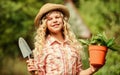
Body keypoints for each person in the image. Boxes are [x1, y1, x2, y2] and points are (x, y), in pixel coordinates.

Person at [26, 3, 102, 75]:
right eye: (50, 19)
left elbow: (78, 73)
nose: (54, 20)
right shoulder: (42, 48)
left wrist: (92, 69)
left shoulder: (73, 45)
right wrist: (34, 72)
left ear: (63, 21)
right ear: (45, 24)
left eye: (57, 17)